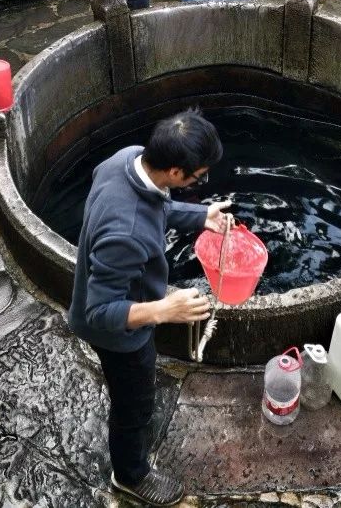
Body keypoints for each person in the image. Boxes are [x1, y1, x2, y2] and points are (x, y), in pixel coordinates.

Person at [68, 108, 233, 507]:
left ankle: (134, 437)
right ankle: (131, 475)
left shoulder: (127, 159)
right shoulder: (126, 234)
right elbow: (100, 311)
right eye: (198, 177)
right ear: (175, 172)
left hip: (123, 304)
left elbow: (152, 205)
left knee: (137, 393)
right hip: (119, 335)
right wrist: (164, 309)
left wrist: (200, 215)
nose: (201, 182)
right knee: (134, 405)